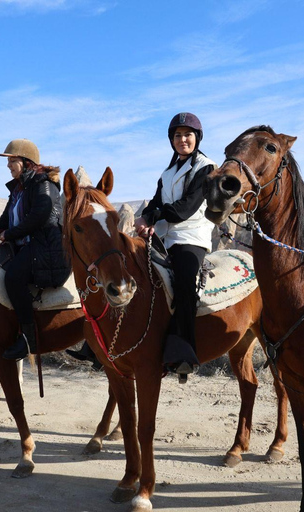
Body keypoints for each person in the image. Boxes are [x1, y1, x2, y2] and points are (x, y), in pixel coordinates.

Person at [0, 139, 69, 360]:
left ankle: (29, 339)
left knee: (13, 278)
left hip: (44, 248)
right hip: (25, 246)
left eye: (12, 160)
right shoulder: (20, 188)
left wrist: (9, 235)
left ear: (26, 162)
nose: (8, 165)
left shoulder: (44, 185)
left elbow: (40, 216)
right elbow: (5, 220)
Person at [133, 112, 217, 382]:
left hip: (191, 237)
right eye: (178, 135)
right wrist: (145, 217)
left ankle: (185, 354)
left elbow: (186, 209)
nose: (183, 140)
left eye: (188, 135)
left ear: (197, 138)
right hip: (165, 237)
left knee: (184, 282)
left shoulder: (206, 167)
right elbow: (156, 201)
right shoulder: (167, 172)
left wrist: (154, 217)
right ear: (172, 140)